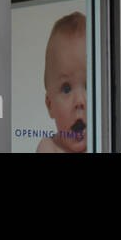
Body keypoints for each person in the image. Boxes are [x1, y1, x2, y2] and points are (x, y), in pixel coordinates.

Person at [37, 11, 87, 153]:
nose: (79, 102)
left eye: (88, 86)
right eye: (66, 88)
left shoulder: (105, 142)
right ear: (50, 104)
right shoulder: (49, 147)